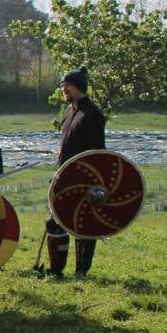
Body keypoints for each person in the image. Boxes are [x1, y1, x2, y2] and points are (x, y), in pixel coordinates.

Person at [47, 65, 107, 278]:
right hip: (64, 176)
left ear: (79, 87)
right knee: (54, 222)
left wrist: (94, 182)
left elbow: (98, 152)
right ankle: (56, 269)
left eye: (68, 86)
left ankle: (81, 271)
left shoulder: (93, 114)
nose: (64, 89)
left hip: (84, 179)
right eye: (63, 85)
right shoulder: (69, 112)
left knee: (84, 225)